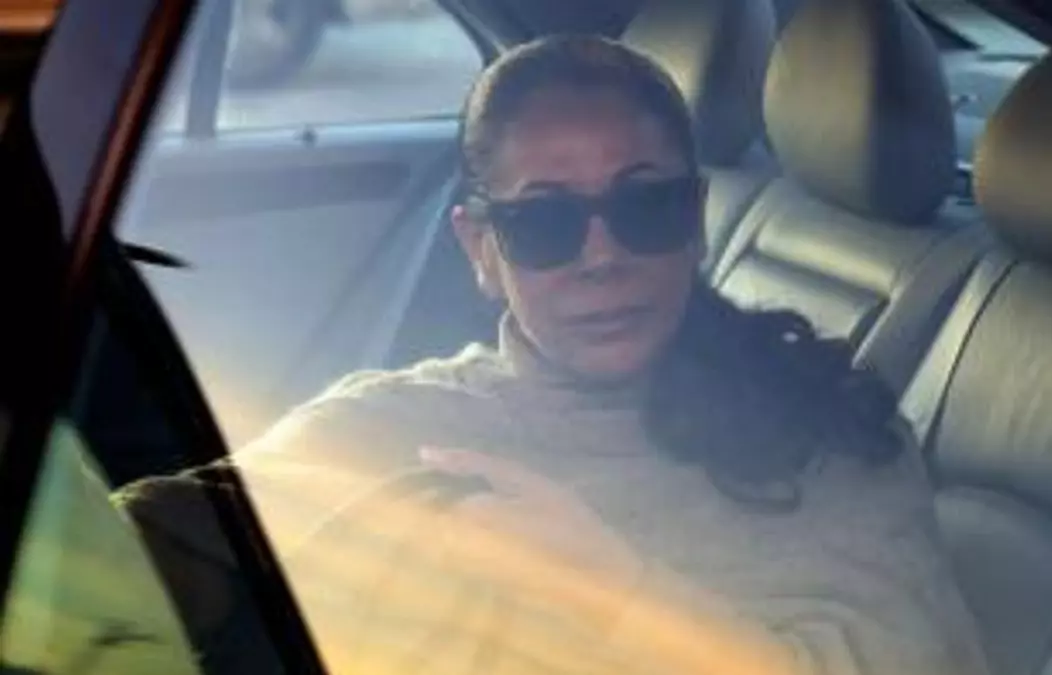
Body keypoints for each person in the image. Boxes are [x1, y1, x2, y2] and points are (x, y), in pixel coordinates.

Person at [117, 34, 990, 675]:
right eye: (545, 222)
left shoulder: (830, 437)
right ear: (481, 249)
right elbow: (144, 548)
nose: (601, 256)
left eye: (644, 207)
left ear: (694, 219)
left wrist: (614, 591)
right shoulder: (402, 423)